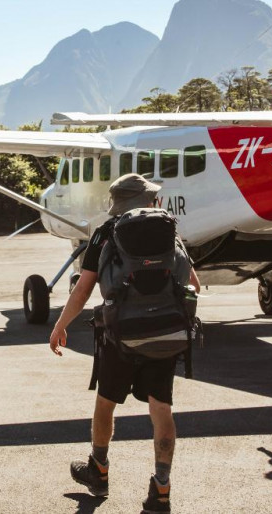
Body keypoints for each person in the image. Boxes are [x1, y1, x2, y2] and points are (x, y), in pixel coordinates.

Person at [49, 173, 200, 513]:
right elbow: (194, 285)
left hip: (118, 334)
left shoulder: (105, 233)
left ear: (117, 202)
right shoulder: (169, 230)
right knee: (161, 408)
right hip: (165, 333)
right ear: (146, 200)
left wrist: (61, 325)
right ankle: (161, 489)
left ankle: (98, 471)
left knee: (106, 403)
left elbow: (84, 288)